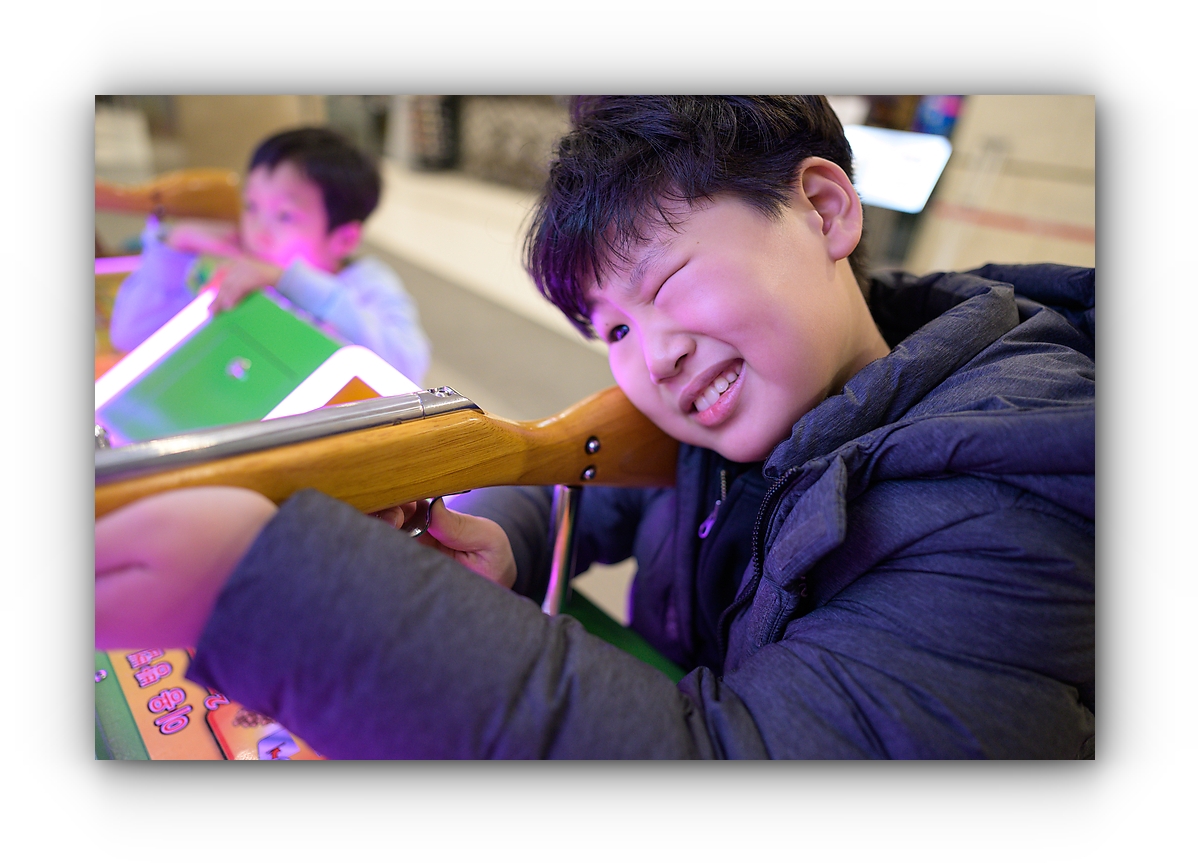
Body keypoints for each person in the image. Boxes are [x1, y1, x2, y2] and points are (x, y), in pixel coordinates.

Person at [95, 97, 1094, 758]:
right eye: (612, 327)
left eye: (668, 279)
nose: (651, 356)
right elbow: (571, 473)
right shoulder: (766, 387)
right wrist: (504, 538)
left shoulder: (1012, 494)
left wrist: (287, 601)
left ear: (825, 208)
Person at [107, 126, 431, 384]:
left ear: (344, 239)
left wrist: (292, 282)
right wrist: (174, 247)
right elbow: (129, 335)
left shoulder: (366, 284)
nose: (257, 230)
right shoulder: (230, 273)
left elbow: (408, 369)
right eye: (251, 206)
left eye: (285, 216)